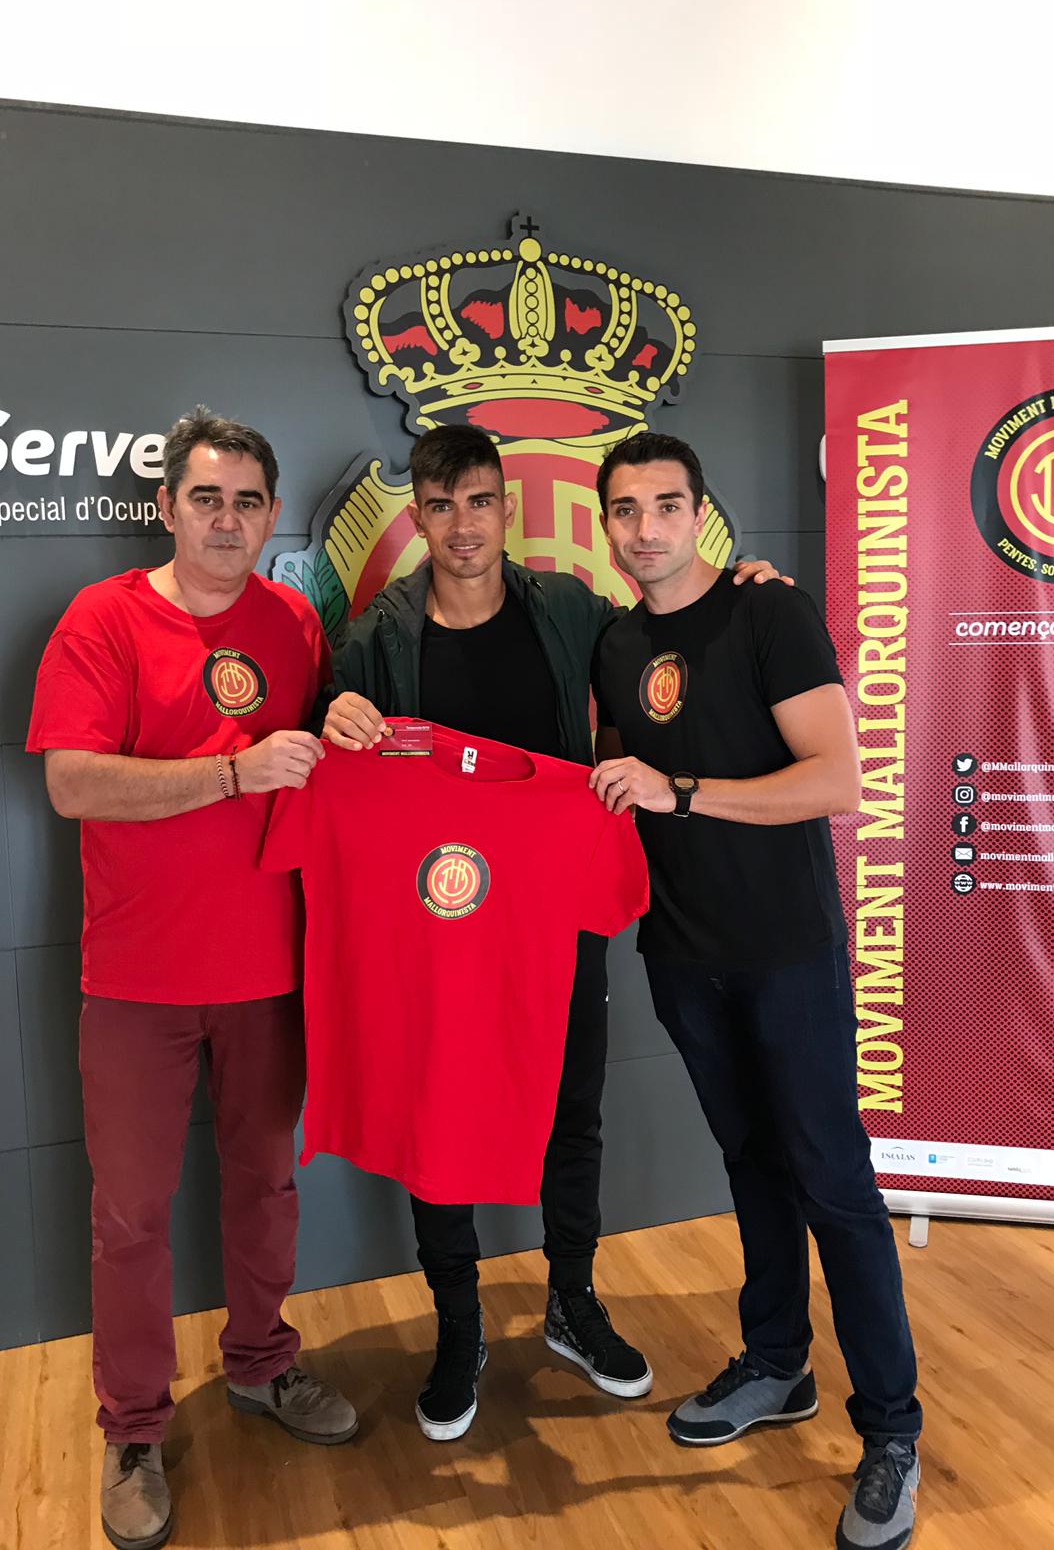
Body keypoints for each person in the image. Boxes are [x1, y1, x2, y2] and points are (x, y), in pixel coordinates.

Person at [313, 422, 786, 1443]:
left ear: (506, 507)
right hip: (438, 925)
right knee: (438, 1111)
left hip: (552, 913)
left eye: (480, 502)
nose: (463, 525)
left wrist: (743, 586)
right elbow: (326, 753)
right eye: (441, 506)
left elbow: (672, 641)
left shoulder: (569, 610)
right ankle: (460, 1326)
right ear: (418, 517)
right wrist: (335, 719)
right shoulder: (378, 637)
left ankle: (574, 1299)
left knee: (573, 1108)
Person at [27, 408, 355, 1550]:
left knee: (267, 1186)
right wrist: (230, 774)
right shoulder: (103, 618)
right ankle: (132, 1427)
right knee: (131, 1215)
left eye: (247, 501)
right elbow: (73, 781)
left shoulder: (296, 621)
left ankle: (263, 1363)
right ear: (166, 508)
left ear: (272, 516)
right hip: (137, 980)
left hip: (269, 970)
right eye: (206, 498)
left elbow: (329, 762)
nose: (226, 520)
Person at [589, 431, 922, 1550]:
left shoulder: (767, 611)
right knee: (752, 1166)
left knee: (835, 1182)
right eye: (625, 508)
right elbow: (611, 789)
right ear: (606, 524)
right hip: (684, 956)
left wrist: (681, 790)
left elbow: (838, 778)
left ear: (702, 513)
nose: (646, 528)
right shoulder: (616, 643)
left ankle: (893, 1429)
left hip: (786, 951)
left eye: (665, 505)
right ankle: (778, 1362)